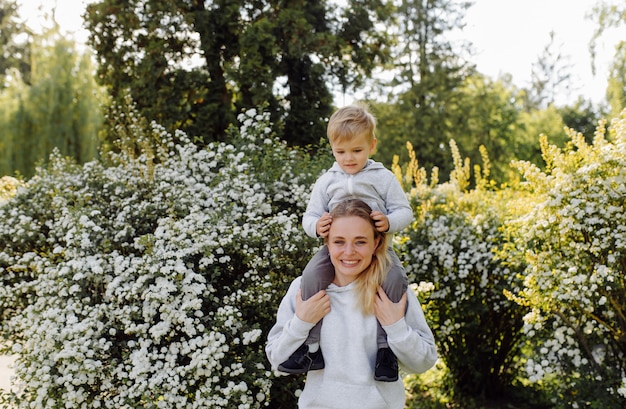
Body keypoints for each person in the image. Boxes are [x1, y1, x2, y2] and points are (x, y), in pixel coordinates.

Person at [277, 103, 413, 382]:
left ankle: (385, 351)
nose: (349, 159)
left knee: (395, 278)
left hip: (375, 249)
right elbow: (310, 215)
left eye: (357, 151)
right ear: (332, 149)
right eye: (341, 152)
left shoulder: (382, 178)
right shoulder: (327, 181)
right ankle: (310, 348)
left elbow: (405, 211)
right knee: (311, 276)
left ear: (372, 145)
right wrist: (317, 226)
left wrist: (388, 221)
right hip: (335, 248)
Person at [266, 199, 437, 409]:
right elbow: (276, 360)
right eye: (339, 241)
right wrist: (302, 322)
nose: (349, 252)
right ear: (327, 243)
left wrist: (396, 327)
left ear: (375, 244)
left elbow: (424, 362)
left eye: (360, 242)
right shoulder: (304, 290)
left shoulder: (391, 294)